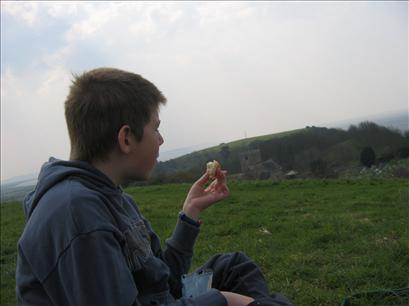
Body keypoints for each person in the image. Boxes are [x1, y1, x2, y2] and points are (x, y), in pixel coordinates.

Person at [16, 68, 292, 306]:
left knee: (234, 267)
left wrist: (190, 213)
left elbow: (163, 279)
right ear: (126, 138)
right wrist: (222, 300)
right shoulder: (76, 215)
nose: (161, 140)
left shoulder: (114, 197)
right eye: (155, 128)